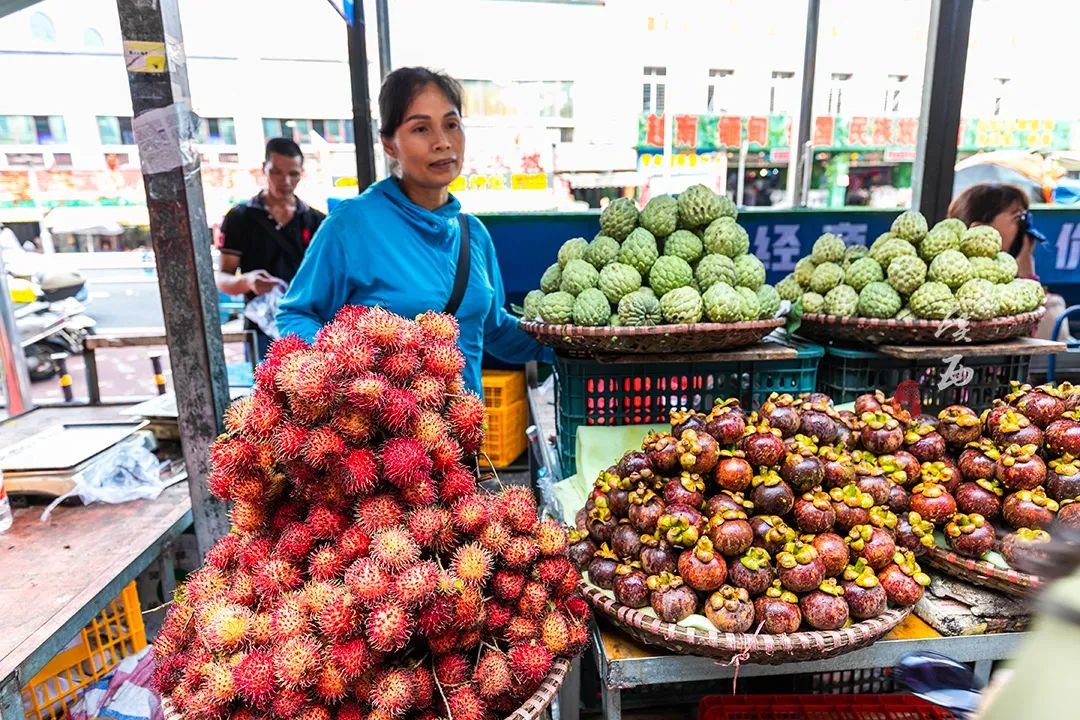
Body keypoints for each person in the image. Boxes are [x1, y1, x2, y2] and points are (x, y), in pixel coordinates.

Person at [277, 67, 547, 396]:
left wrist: (570, 343)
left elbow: (494, 330)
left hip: (462, 427)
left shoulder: (474, 234)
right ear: (389, 144)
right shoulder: (351, 225)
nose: (442, 142)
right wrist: (339, 369)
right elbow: (296, 313)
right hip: (378, 425)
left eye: (451, 124)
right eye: (421, 128)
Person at [217, 138, 325, 360]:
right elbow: (222, 278)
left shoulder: (316, 221)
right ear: (263, 170)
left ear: (302, 174)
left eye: (293, 174)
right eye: (276, 172)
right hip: (261, 328)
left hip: (308, 326)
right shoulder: (240, 218)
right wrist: (247, 281)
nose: (285, 181)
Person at [948, 183, 1071, 342]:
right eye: (1017, 217)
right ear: (979, 228)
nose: (1025, 227)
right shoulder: (963, 284)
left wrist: (1026, 267)